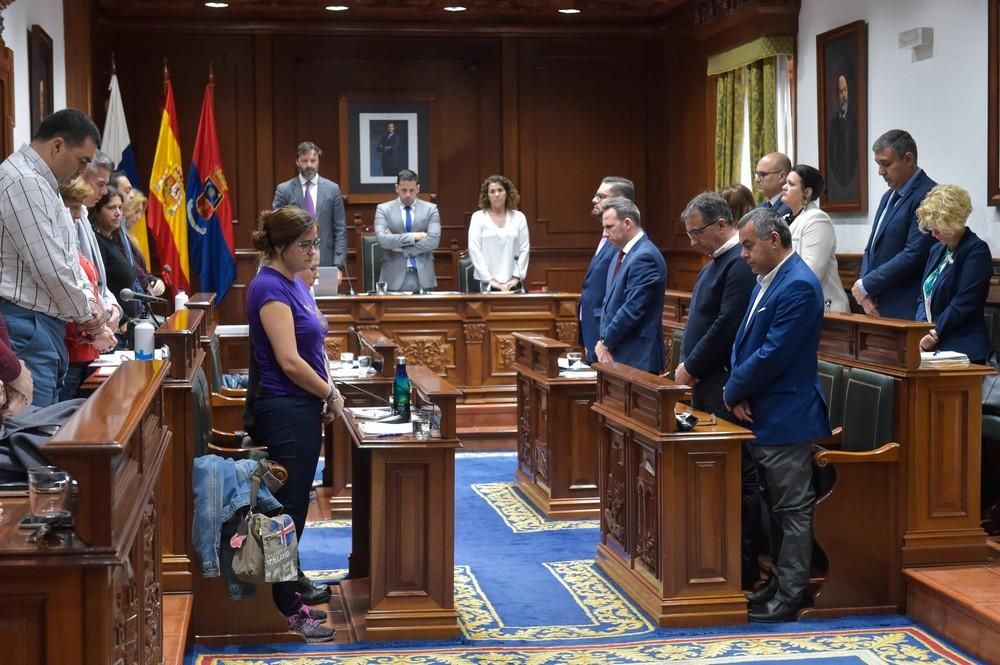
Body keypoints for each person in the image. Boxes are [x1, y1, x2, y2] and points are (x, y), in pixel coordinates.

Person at [724, 208, 830, 623]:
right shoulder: (766, 280)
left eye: (748, 245)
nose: (743, 254)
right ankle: (775, 586)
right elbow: (745, 342)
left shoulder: (799, 285)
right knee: (775, 508)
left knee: (791, 510)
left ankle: (790, 595)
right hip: (764, 410)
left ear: (773, 240)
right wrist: (738, 388)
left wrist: (734, 389)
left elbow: (775, 352)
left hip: (787, 414)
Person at [246, 206, 344, 642]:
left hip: (300, 407)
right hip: (283, 408)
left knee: (297, 506)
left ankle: (294, 583)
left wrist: (324, 388)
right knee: (286, 513)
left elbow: (313, 343)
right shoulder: (269, 287)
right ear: (280, 246)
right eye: (304, 245)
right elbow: (288, 360)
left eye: (315, 243)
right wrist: (329, 393)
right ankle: (288, 609)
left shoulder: (293, 281)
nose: (312, 252)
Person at [676, 192, 758, 589]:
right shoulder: (714, 264)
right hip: (704, 386)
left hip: (721, 387)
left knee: (732, 482)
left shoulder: (737, 269)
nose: (693, 242)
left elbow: (726, 326)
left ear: (721, 225)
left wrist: (690, 367)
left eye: (697, 233)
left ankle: (739, 571)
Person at [0, 108, 106, 406]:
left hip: (44, 325)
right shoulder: (23, 180)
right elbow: (52, 268)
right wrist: (90, 318)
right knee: (33, 437)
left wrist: (88, 306)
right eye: (82, 160)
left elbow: (68, 257)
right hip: (26, 324)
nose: (83, 171)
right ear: (58, 145)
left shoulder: (44, 184)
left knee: (47, 433)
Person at [852, 129, 936, 319]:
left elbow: (913, 254)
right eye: (878, 164)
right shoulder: (888, 197)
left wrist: (867, 285)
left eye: (886, 164)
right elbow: (871, 248)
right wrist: (864, 288)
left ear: (908, 159)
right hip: (875, 303)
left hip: (905, 305)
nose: (880, 171)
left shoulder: (928, 195)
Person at [914, 185, 992, 364]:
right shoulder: (936, 250)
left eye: (938, 228)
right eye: (931, 228)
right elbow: (922, 296)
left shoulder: (976, 251)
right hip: (933, 345)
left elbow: (964, 302)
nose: (933, 234)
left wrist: (935, 332)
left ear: (954, 222)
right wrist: (921, 329)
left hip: (963, 347)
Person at [594, 197, 666, 374]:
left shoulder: (645, 257)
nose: (604, 233)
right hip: (618, 356)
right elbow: (609, 305)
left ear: (627, 223)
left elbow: (632, 309)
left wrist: (605, 343)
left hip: (637, 359)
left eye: (609, 227)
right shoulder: (620, 255)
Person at [579, 177, 633, 364]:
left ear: (620, 201)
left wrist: (605, 341)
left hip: (607, 342)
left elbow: (620, 299)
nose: (594, 200)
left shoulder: (622, 244)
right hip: (594, 334)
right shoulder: (606, 238)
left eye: (601, 196)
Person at [781, 164, 849, 312]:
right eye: (785, 183)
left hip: (823, 307)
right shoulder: (784, 219)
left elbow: (811, 271)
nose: (784, 187)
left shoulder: (817, 219)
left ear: (807, 192)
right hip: (791, 301)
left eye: (791, 184)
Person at [273, 142, 347, 270]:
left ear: (318, 161)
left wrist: (338, 266)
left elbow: (340, 229)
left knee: (325, 291)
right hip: (294, 262)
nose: (309, 165)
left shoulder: (332, 189)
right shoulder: (284, 190)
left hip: (325, 260)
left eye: (313, 161)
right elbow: (277, 227)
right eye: (304, 161)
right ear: (297, 161)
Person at [374, 169, 441, 292]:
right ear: (397, 188)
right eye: (404, 190)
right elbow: (383, 240)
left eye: (412, 190)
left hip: (423, 276)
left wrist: (402, 248)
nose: (408, 195)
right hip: (393, 276)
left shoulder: (431, 209)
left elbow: (434, 240)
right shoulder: (383, 209)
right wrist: (415, 236)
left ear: (418, 188)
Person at [467, 175, 529, 292]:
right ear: (487, 196)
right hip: (485, 283)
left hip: (513, 283)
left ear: (507, 193)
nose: (497, 194)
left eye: (500, 190)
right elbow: (474, 249)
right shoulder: (478, 217)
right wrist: (489, 279)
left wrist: (516, 278)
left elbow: (524, 249)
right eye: (492, 191)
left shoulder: (519, 217)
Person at [90, 187, 142, 325]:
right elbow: (100, 286)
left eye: (120, 207)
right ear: (96, 211)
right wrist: (122, 320)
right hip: (114, 325)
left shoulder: (115, 240)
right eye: (111, 208)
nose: (118, 213)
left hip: (127, 324)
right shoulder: (97, 242)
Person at [122, 190, 166, 297]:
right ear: (127, 209)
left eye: (141, 213)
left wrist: (155, 281)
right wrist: (148, 284)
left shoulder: (130, 237)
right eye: (136, 211)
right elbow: (133, 266)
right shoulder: (120, 237)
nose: (138, 218)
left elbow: (142, 270)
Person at [826, 74, 858, 202]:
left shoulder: (856, 120)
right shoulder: (833, 123)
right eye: (840, 92)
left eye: (845, 90)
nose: (843, 95)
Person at [754, 152, 792, 218]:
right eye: (756, 174)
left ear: (782, 176)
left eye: (762, 174)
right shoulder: (759, 207)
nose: (757, 180)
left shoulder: (790, 207)